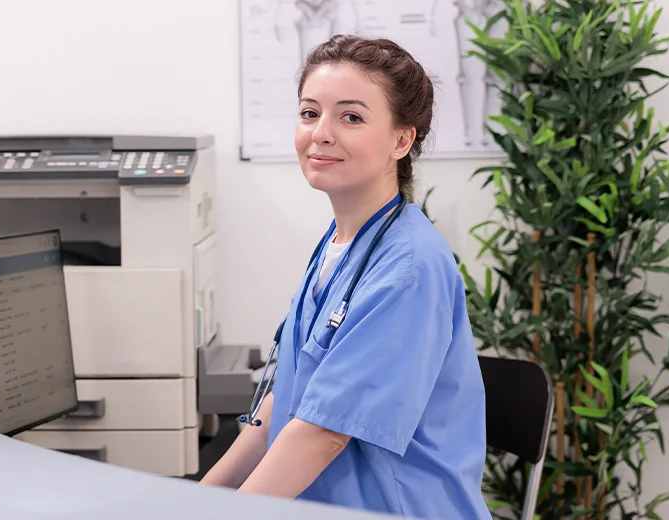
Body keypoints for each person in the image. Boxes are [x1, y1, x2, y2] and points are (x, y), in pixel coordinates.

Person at [200, 34, 491, 519]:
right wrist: (196, 498)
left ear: (402, 140)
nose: (321, 133)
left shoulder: (408, 268)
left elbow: (325, 431)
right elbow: (289, 397)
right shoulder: (343, 243)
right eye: (310, 113)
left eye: (351, 117)